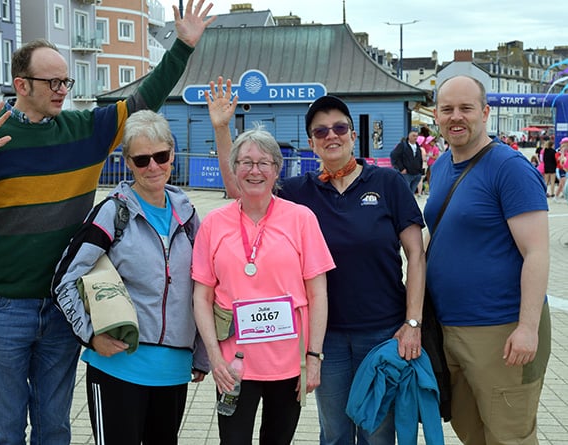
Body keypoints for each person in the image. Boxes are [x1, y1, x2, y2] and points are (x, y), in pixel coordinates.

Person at [0, 2, 214, 444]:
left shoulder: (83, 130)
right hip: (2, 306)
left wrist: (182, 47)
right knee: (8, 431)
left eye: (65, 80)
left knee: (54, 428)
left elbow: (144, 101)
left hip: (62, 310)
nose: (63, 89)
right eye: (53, 82)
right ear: (21, 84)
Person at [207, 77, 426, 445]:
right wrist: (221, 128)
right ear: (311, 142)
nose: (331, 135)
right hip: (329, 339)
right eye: (320, 131)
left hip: (383, 331)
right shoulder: (299, 192)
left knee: (378, 432)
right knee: (336, 432)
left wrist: (413, 322)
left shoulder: (388, 183)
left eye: (339, 127)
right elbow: (241, 186)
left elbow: (417, 255)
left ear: (353, 135)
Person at [52, 110, 208, 444]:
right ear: (127, 162)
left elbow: (206, 286)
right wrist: (90, 335)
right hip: (118, 368)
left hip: (173, 373)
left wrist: (204, 355)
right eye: (141, 159)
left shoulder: (188, 214)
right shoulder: (113, 212)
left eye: (161, 156)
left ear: (172, 154)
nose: (153, 166)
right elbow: (64, 278)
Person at [425, 75, 551, 445]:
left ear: (485, 112)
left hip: (502, 330)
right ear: (436, 114)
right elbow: (441, 230)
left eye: (466, 108)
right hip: (450, 327)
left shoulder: (509, 168)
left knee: (509, 435)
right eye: (447, 109)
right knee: (472, 431)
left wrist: (527, 328)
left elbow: (537, 252)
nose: (456, 117)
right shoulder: (442, 165)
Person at [192, 124, 335, 444]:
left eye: (263, 163)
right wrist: (214, 358)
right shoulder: (214, 223)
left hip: (289, 363)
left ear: (276, 169)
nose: (254, 170)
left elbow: (318, 293)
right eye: (245, 162)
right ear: (233, 169)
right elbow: (201, 296)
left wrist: (313, 358)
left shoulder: (301, 219)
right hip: (233, 365)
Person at [391, 129, 424, 194]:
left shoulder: (417, 146)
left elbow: (420, 159)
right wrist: (401, 168)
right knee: (405, 192)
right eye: (413, 136)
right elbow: (394, 156)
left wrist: (420, 171)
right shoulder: (403, 145)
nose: (415, 137)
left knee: (411, 193)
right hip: (407, 174)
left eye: (416, 136)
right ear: (409, 136)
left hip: (416, 173)